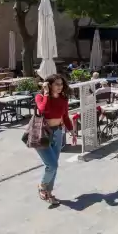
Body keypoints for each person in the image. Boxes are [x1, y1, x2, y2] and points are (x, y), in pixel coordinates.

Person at [34, 74, 74, 205]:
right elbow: (43, 110)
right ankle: (42, 186)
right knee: (52, 164)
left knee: (54, 166)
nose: (60, 87)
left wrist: (72, 131)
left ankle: (49, 194)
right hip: (42, 134)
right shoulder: (40, 97)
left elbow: (66, 116)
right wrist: (46, 93)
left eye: (61, 84)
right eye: (56, 84)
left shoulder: (63, 99)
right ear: (49, 85)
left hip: (58, 133)